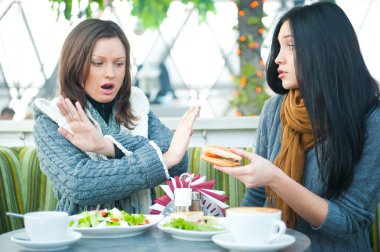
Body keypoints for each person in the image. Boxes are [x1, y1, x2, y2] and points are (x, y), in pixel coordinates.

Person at [215, 2, 380, 251]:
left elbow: (348, 221)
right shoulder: (274, 110)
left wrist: (275, 178)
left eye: (291, 46)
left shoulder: (372, 119)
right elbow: (258, 198)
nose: (277, 58)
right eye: (279, 46)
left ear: (326, 50)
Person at [33, 19, 200, 215]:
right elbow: (81, 184)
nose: (110, 73)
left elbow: (177, 162)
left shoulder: (137, 105)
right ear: (75, 64)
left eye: (119, 64)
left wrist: (108, 146)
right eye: (98, 63)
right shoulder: (50, 120)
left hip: (142, 234)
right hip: (82, 238)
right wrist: (163, 159)